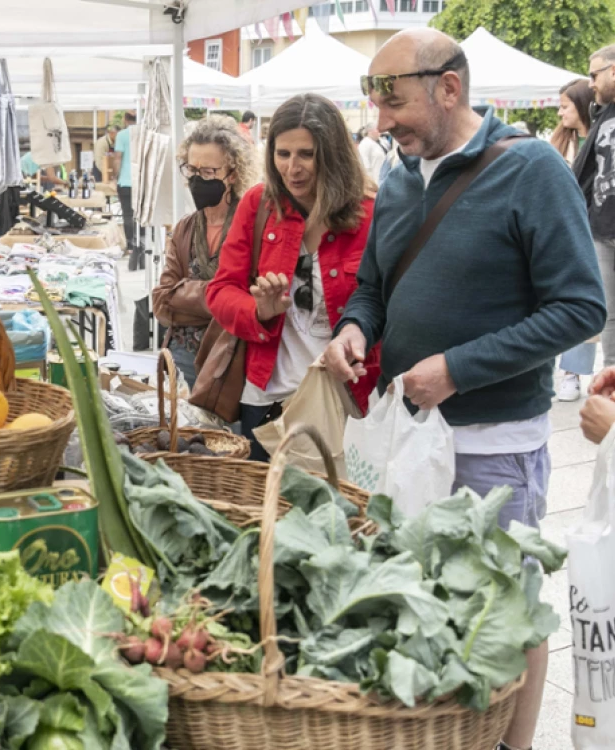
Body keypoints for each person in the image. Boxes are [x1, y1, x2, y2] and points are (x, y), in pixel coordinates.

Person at [322, 29, 605, 750]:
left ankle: (514, 745)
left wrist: (459, 369)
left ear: (450, 87)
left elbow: (580, 308)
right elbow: (373, 289)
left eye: (395, 102)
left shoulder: (533, 169)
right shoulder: (395, 179)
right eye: (374, 103)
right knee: (424, 606)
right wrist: (355, 328)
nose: (382, 123)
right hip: (406, 442)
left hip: (494, 448)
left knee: (507, 616)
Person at [206, 93, 381, 461]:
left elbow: (384, 300)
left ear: (332, 154)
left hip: (345, 399)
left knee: (337, 514)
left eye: (306, 154)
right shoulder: (258, 205)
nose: (292, 168)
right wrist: (259, 312)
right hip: (267, 399)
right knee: (266, 511)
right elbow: (220, 291)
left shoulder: (371, 212)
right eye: (282, 154)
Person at [152, 117, 257, 389]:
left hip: (232, 357)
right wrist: (221, 297)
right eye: (191, 169)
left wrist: (186, 293)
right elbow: (162, 301)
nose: (197, 180)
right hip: (183, 355)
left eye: (208, 172)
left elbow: (249, 301)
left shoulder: (251, 226)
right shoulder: (185, 228)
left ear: (232, 174)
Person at [551, 79, 597, 401]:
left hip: (600, 229)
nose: (559, 112)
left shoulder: (601, 138)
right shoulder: (560, 144)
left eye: (565, 105)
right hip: (571, 232)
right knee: (577, 300)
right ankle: (571, 373)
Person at [574, 44, 615, 369]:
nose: (590, 83)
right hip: (601, 230)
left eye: (594, 74)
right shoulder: (603, 116)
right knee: (609, 313)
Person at [113, 111, 143, 270]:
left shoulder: (122, 135)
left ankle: (131, 244)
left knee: (127, 214)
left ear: (125, 120)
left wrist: (114, 176)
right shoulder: (145, 134)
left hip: (125, 181)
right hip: (142, 182)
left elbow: (118, 158)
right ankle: (143, 243)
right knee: (142, 214)